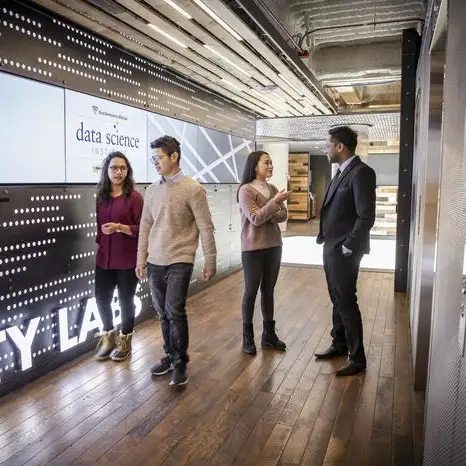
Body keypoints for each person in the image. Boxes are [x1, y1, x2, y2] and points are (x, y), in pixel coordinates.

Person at [136, 135, 217, 386]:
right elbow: (145, 227)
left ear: (174, 157)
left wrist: (210, 260)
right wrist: (141, 258)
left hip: (181, 257)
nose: (155, 162)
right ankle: (170, 355)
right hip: (155, 260)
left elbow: (206, 227)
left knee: (174, 309)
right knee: (161, 312)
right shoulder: (151, 190)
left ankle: (181, 361)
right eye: (153, 158)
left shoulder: (193, 189)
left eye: (158, 157)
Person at [315, 126, 376, 376]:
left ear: (340, 147)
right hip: (331, 247)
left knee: (346, 301)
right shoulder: (341, 172)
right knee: (337, 299)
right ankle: (339, 344)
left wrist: (349, 246)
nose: (326, 148)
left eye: (328, 144)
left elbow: (365, 216)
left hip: (345, 250)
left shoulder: (361, 173)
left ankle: (357, 358)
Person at [237, 150, 292, 355]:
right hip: (252, 249)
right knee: (251, 291)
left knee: (268, 291)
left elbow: (283, 215)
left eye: (270, 163)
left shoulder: (273, 188)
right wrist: (273, 204)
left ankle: (268, 336)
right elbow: (255, 218)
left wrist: (269, 210)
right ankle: (247, 337)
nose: (270, 166)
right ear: (255, 166)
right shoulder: (245, 190)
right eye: (266, 162)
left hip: (274, 246)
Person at [94, 151, 144, 361]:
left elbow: (143, 229)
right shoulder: (101, 196)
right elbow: (99, 228)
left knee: (125, 301)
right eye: (114, 168)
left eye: (123, 168)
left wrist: (120, 227)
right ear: (107, 170)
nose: (118, 172)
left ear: (128, 171)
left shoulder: (135, 197)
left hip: (126, 259)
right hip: (104, 259)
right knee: (101, 299)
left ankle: (125, 341)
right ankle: (108, 338)